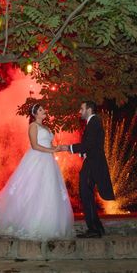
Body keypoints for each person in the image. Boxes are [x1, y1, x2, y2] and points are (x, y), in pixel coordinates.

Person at [0, 103, 74, 240]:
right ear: (35, 114)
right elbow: (34, 145)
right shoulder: (33, 126)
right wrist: (52, 150)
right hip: (36, 159)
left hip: (48, 161)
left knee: (49, 189)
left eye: (43, 109)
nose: (44, 111)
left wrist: (60, 148)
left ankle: (49, 224)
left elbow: (49, 145)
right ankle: (28, 223)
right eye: (40, 110)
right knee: (33, 188)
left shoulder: (46, 127)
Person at [58, 100, 114, 238]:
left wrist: (69, 148)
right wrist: (82, 152)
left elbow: (88, 144)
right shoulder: (93, 122)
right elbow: (91, 144)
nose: (80, 111)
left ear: (89, 109)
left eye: (81, 109)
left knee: (85, 195)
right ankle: (97, 228)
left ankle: (94, 229)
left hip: (92, 164)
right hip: (91, 162)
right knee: (86, 195)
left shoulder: (94, 122)